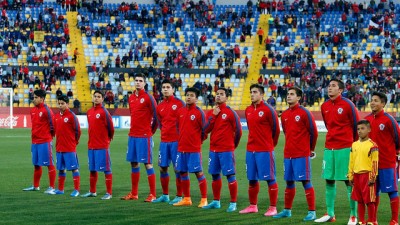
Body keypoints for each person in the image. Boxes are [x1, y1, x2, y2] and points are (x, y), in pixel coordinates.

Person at [315, 78, 360, 224]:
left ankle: (353, 215)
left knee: (349, 181)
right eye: (329, 86)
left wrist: (352, 145)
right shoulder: (324, 106)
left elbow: (356, 126)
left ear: (340, 90)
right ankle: (330, 214)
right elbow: (329, 125)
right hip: (329, 147)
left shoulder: (348, 104)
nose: (329, 88)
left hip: (346, 147)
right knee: (329, 180)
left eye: (333, 86)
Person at [273, 87, 318, 221]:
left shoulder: (305, 113)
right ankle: (287, 210)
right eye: (288, 94)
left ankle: (312, 212)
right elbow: (286, 133)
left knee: (305, 181)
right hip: (288, 154)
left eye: (292, 94)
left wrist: (310, 149)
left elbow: (314, 132)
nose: (289, 96)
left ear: (299, 97)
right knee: (289, 182)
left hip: (301, 153)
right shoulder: (285, 114)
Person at [239, 84, 280, 216]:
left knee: (270, 179)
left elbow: (276, 130)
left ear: (261, 94)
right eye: (251, 92)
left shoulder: (269, 110)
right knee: (252, 178)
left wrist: (270, 145)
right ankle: (253, 206)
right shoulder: (248, 110)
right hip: (251, 150)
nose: (252, 94)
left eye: (255, 92)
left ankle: (273, 207)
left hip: (265, 150)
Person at [202, 87, 242, 212]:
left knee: (230, 175)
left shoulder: (230, 112)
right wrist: (213, 116)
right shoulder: (211, 112)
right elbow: (206, 130)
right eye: (217, 94)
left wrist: (232, 146)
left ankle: (233, 203)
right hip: (213, 150)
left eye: (221, 94)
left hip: (226, 150)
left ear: (226, 97)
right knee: (214, 175)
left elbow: (239, 132)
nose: (218, 96)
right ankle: (216, 201)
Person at [121, 73, 158, 202]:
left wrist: (150, 132)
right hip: (133, 135)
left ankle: (153, 194)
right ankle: (134, 193)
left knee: (148, 164)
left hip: (144, 136)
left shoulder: (149, 97)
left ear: (144, 83)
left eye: (140, 81)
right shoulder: (131, 98)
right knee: (134, 163)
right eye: (136, 80)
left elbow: (157, 117)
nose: (137, 82)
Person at [365, 92, 399, 225]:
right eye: (371, 100)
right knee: (372, 192)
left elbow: (398, 138)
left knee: (392, 191)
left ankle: (394, 220)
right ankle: (373, 220)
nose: (372, 103)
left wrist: (394, 153)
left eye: (376, 100)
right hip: (370, 164)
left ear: (383, 103)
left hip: (386, 162)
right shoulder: (367, 120)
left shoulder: (389, 119)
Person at [173, 87, 208, 207]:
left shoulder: (199, 113)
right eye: (187, 95)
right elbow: (178, 128)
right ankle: (187, 198)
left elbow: (204, 131)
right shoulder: (180, 111)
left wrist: (198, 142)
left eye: (191, 95)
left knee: (198, 172)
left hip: (194, 149)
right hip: (181, 148)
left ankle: (204, 199)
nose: (188, 97)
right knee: (182, 172)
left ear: (196, 99)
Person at [152, 79, 185, 204]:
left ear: (173, 89)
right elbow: (160, 123)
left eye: (168, 87)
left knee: (178, 169)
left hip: (177, 141)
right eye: (164, 87)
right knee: (162, 168)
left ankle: (179, 196)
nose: (165, 89)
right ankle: (165, 195)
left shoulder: (179, 103)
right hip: (164, 141)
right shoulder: (159, 106)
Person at [82, 91, 114, 200]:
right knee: (92, 169)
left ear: (102, 99)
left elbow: (111, 128)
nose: (96, 98)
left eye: (99, 97)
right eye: (95, 96)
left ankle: (109, 193)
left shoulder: (104, 112)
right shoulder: (89, 112)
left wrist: (108, 140)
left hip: (102, 146)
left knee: (106, 169)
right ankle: (92, 191)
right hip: (91, 146)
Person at [23, 89, 56, 193]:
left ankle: (52, 187)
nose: (34, 99)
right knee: (36, 164)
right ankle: (36, 186)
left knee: (49, 164)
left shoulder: (47, 110)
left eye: (36, 97)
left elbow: (53, 125)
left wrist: (49, 137)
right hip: (35, 142)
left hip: (45, 141)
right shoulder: (32, 110)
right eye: (34, 97)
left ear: (42, 99)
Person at [48, 95, 81, 197]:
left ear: (67, 104)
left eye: (63, 103)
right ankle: (60, 189)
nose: (60, 105)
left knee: (74, 168)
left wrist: (74, 142)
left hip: (70, 147)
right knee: (61, 169)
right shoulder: (56, 116)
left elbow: (78, 131)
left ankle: (76, 190)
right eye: (59, 103)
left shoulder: (72, 116)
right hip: (59, 148)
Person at [348, 120, 378, 225]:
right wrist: (350, 175)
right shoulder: (354, 144)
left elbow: (375, 162)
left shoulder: (372, 145)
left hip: (367, 175)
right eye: (358, 129)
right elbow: (351, 161)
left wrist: (373, 177)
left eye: (362, 128)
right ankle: (361, 221)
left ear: (369, 130)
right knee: (359, 200)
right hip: (356, 175)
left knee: (369, 200)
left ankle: (372, 221)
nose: (360, 131)